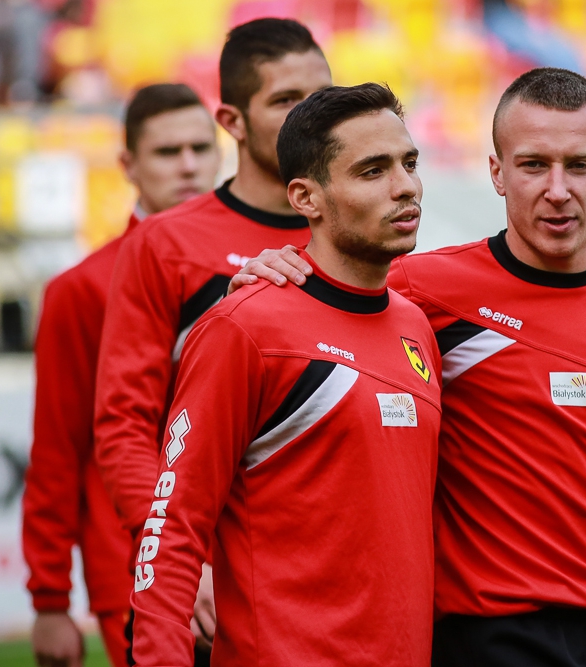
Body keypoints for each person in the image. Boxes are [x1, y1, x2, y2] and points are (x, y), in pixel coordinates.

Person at [234, 68, 586, 667]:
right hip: (485, 638)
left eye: (579, 166)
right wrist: (276, 271)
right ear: (497, 173)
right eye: (534, 165)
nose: (558, 190)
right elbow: (310, 307)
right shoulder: (418, 291)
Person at [130, 83, 440, 667]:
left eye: (409, 163)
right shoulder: (246, 326)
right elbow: (172, 525)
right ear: (306, 197)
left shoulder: (415, 326)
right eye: (372, 171)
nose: (405, 186)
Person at [92, 17, 332, 661]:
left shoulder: (359, 237)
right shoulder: (165, 244)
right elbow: (124, 426)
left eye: (322, 97)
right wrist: (178, 560)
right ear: (232, 121)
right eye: (286, 101)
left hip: (330, 590)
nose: (311, 118)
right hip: (210, 589)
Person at [22, 83, 220, 667]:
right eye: (167, 152)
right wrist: (50, 600)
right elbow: (57, 450)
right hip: (131, 568)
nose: (188, 165)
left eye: (200, 148)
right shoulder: (81, 289)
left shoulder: (260, 266)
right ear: (128, 165)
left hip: (246, 560)